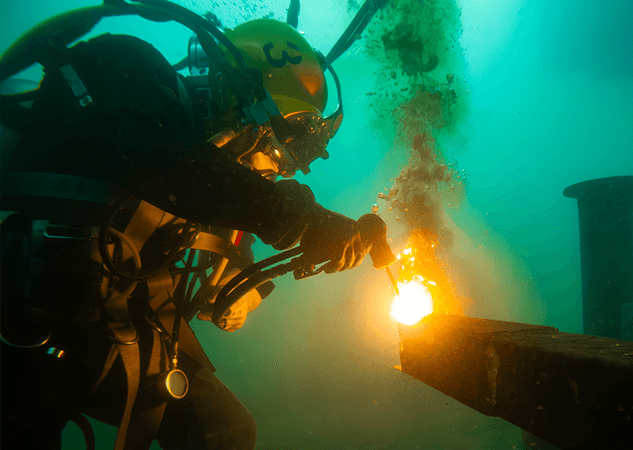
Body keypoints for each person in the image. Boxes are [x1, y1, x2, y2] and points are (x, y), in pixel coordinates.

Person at [0, 1, 391, 449]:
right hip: (20, 330)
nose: (280, 167)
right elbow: (168, 167)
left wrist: (251, 293)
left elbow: (225, 226)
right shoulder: (128, 69)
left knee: (225, 431)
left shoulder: (210, 170)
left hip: (103, 335)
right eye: (281, 142)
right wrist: (302, 219)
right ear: (241, 96)